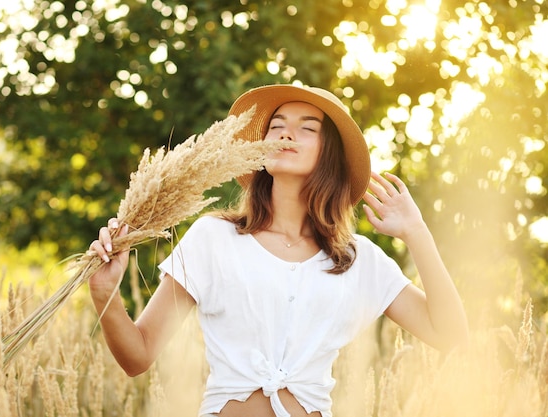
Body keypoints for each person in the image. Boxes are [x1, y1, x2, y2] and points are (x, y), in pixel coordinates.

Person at [88, 84, 469, 417]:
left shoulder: (357, 260)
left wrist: (417, 233)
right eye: (277, 125)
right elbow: (138, 357)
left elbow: (449, 335)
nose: (287, 134)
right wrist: (105, 293)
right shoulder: (212, 238)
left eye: (307, 128)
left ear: (329, 153)